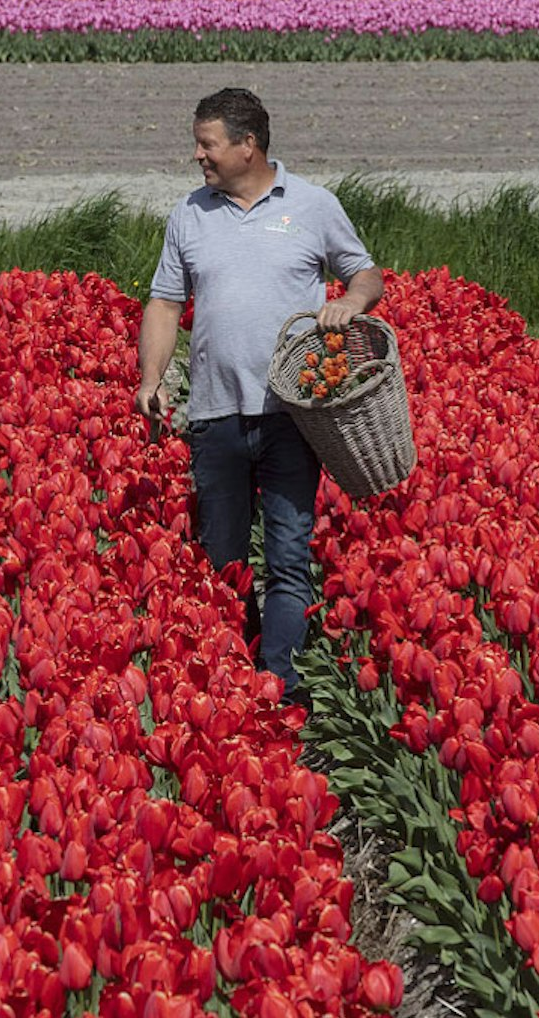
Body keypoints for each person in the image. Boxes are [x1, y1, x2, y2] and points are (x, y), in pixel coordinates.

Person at [136, 88, 384, 704]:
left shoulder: (311, 205)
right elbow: (165, 302)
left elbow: (365, 272)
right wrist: (150, 378)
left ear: (249, 146)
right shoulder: (189, 214)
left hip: (290, 415)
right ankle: (232, 679)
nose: (198, 155)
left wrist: (349, 302)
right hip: (215, 413)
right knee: (223, 560)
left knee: (288, 558)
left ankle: (281, 690)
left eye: (207, 143)